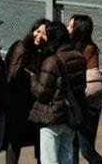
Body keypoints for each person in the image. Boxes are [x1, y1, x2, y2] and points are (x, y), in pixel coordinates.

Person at [30, 21, 87, 164]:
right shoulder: (78, 56)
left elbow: (42, 92)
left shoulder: (51, 61)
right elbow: (81, 86)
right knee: (66, 156)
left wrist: (33, 78)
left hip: (52, 116)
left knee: (49, 159)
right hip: (70, 114)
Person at [4, 18, 50, 164]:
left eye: (44, 33)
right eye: (37, 31)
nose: (39, 36)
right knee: (14, 140)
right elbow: (8, 70)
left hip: (37, 103)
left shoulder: (48, 53)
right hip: (17, 101)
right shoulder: (19, 47)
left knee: (40, 139)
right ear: (32, 31)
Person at [68, 15, 102, 164]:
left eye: (71, 26)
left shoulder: (89, 49)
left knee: (87, 149)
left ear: (79, 29)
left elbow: (93, 78)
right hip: (75, 104)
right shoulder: (70, 46)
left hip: (88, 106)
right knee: (73, 146)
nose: (67, 28)